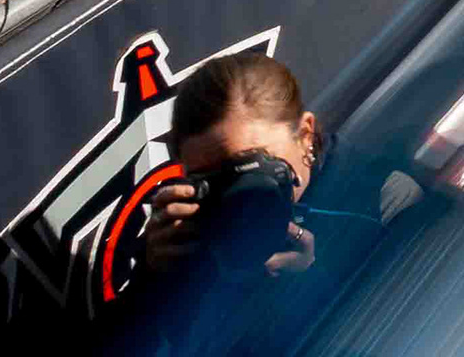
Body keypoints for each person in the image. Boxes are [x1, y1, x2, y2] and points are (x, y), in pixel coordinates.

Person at [93, 51, 321, 352]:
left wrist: (317, 279)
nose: (237, 196)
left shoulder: (375, 193)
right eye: (212, 180)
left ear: (305, 134)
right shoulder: (196, 236)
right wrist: (153, 280)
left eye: (252, 165)